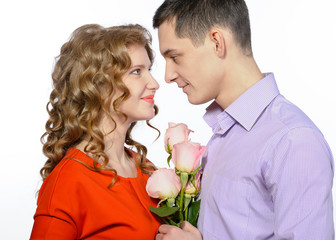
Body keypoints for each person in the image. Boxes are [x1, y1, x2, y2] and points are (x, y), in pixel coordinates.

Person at [152, 0, 334, 239]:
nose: (167, 76)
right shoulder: (224, 133)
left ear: (217, 42)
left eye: (175, 57)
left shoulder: (293, 140)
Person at [30, 23, 161, 239]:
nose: (154, 83)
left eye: (149, 70)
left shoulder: (147, 171)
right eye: (136, 72)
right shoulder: (69, 182)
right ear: (98, 87)